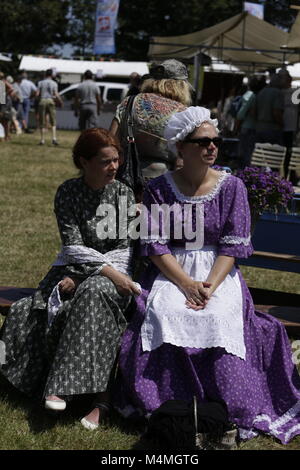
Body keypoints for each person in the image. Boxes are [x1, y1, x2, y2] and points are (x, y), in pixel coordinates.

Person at [115, 106, 300, 445]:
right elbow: (154, 243)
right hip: (171, 270)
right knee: (164, 313)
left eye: (215, 141)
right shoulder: (158, 188)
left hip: (218, 273)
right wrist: (185, 284)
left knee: (219, 316)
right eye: (202, 142)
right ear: (181, 147)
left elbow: (232, 245)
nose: (211, 147)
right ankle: (164, 403)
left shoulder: (232, 188)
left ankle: (227, 406)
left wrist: (208, 287)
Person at [0, 128, 140, 430]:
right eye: (105, 161)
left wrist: (97, 276)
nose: (113, 167)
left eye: (116, 160)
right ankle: (42, 386)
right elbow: (74, 246)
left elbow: (123, 249)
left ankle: (62, 388)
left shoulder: (123, 194)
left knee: (93, 294)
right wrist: (84, 275)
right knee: (27, 310)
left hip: (114, 275)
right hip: (77, 269)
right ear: (83, 162)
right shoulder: (67, 192)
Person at [109, 59, 192, 179]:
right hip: (163, 183)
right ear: (182, 86)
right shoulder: (184, 113)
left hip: (125, 179)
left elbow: (111, 142)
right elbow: (182, 162)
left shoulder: (130, 102)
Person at [236, 76, 264, 168]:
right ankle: (246, 173)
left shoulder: (250, 95)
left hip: (247, 127)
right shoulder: (255, 95)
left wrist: (237, 127)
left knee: (245, 153)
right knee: (248, 153)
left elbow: (240, 114)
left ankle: (244, 172)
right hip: (252, 128)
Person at [254, 73, 284, 145]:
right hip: (272, 129)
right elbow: (276, 112)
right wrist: (282, 124)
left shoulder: (261, 92)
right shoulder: (277, 93)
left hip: (259, 128)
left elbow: (254, 111)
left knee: (259, 153)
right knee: (272, 154)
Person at [36, 69, 62, 146]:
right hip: (51, 100)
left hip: (42, 100)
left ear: (45, 74)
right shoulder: (54, 83)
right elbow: (56, 94)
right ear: (52, 75)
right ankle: (54, 138)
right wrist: (60, 101)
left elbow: (37, 94)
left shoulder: (40, 82)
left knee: (42, 121)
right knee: (53, 121)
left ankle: (42, 139)